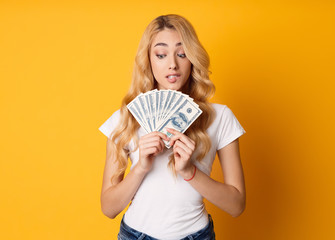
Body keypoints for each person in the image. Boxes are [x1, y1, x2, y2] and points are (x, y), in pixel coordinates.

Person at [99, 14, 246, 240]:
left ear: (192, 58)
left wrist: (189, 172)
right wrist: (141, 168)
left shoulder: (220, 117)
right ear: (148, 59)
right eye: (161, 54)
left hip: (196, 235)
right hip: (135, 235)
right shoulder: (125, 119)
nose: (172, 64)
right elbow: (109, 208)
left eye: (182, 53)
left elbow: (236, 205)